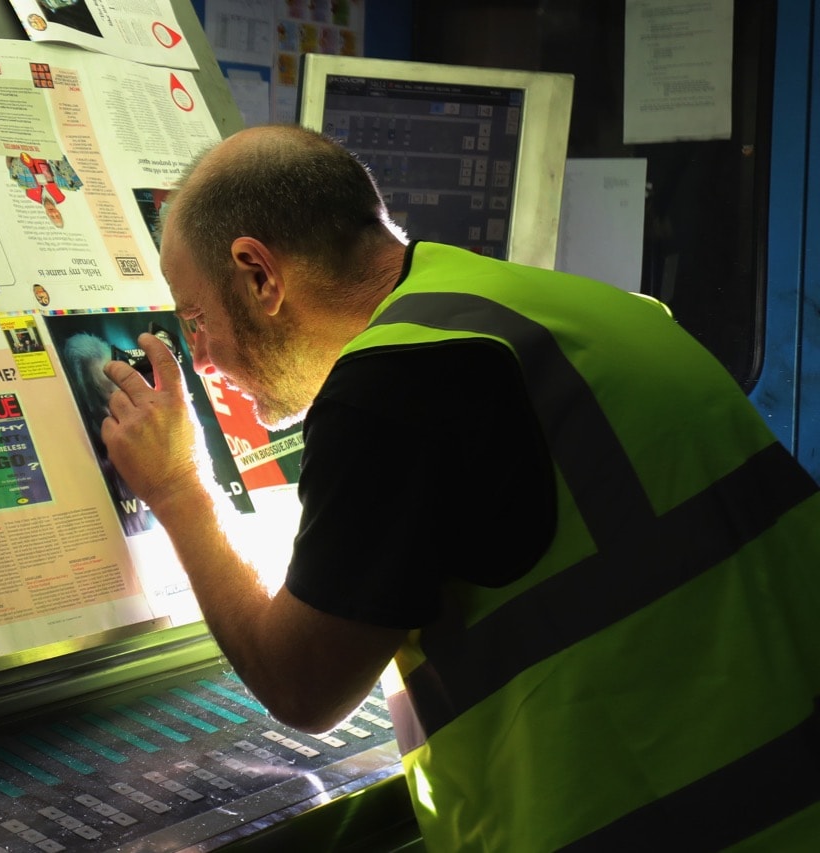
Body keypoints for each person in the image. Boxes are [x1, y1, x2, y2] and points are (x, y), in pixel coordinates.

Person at [100, 124, 820, 851]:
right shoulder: (572, 305)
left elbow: (303, 685)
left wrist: (177, 485)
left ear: (260, 274)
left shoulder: (392, 387)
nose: (203, 357)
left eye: (196, 320)